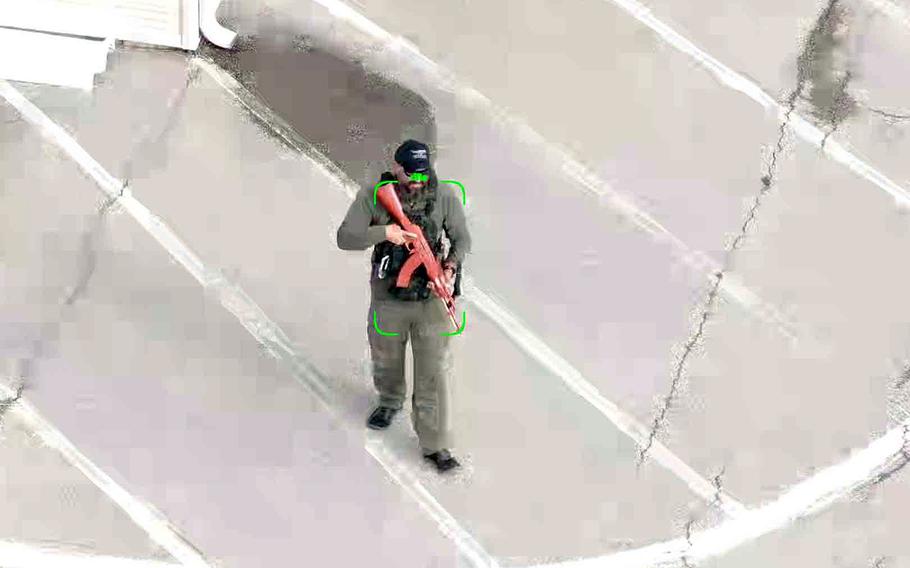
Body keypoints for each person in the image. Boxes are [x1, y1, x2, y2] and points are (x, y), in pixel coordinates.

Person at [336, 139, 471, 473]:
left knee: (432, 374)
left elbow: (462, 238)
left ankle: (435, 444)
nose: (417, 180)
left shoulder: (443, 197)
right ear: (396, 168)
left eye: (422, 174)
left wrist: (450, 267)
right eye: (410, 173)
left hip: (430, 299)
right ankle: (390, 400)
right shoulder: (374, 196)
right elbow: (345, 237)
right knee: (386, 358)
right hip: (388, 297)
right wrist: (385, 232)